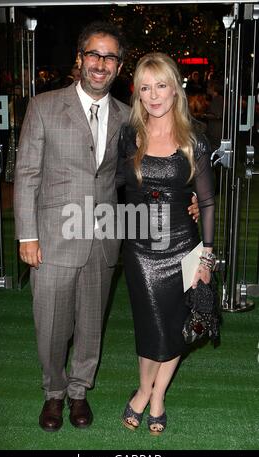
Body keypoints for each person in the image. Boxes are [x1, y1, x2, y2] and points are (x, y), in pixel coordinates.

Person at [14, 22, 199, 433]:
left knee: (91, 326)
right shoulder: (44, 106)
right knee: (51, 326)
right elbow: (26, 173)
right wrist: (27, 235)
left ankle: (79, 391)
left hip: (103, 240)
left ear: (118, 67)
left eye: (110, 57)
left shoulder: (126, 118)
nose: (101, 64)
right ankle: (54, 394)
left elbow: (148, 173)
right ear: (80, 59)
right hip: (52, 239)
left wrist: (186, 202)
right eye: (94, 55)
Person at [117, 52, 215, 436]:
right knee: (149, 325)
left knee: (174, 326)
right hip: (140, 250)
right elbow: (114, 189)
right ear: (138, 94)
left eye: (161, 85)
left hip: (183, 248)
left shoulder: (194, 140)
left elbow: (206, 201)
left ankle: (155, 397)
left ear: (175, 88)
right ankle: (144, 388)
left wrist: (206, 257)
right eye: (145, 87)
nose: (154, 95)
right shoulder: (128, 135)